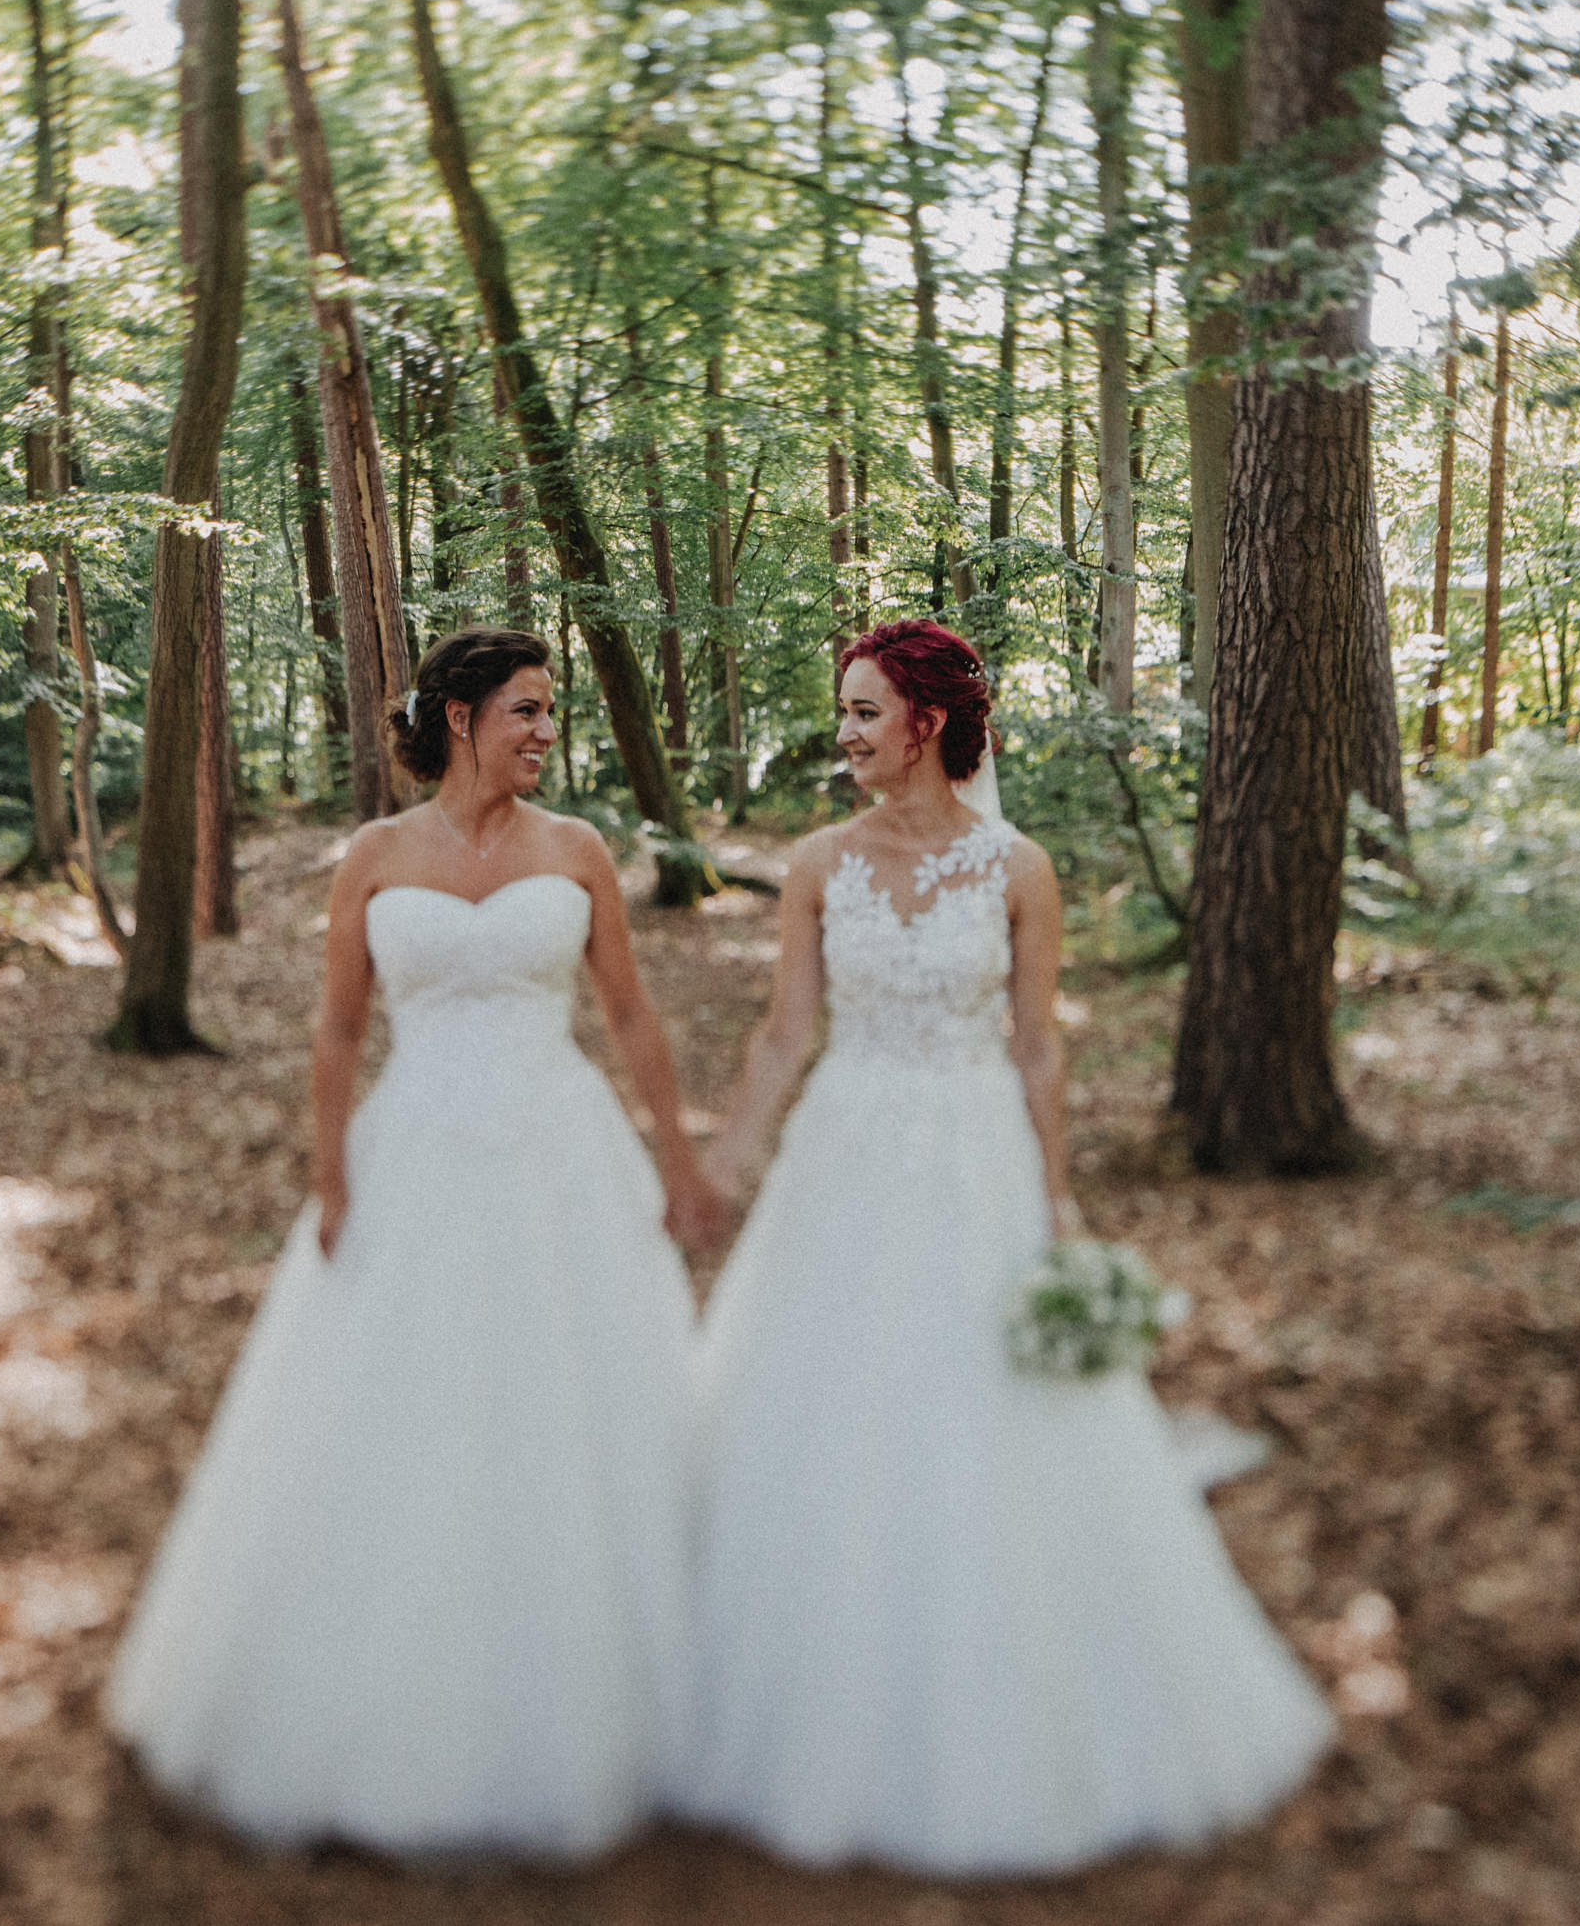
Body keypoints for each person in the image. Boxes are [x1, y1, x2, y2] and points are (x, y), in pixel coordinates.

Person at [675, 618, 1333, 1874]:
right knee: (831, 1408)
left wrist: (1056, 1199)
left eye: (865, 711)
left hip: (973, 1156)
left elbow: (1038, 1046)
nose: (846, 733)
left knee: (988, 1409)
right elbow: (782, 1034)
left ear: (927, 723)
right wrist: (725, 1163)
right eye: (844, 710)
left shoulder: (1017, 868)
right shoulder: (815, 862)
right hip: (845, 1154)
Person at [105, 626, 721, 1860]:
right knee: (402, 1410)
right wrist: (332, 1175)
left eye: (551, 712)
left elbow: (628, 1013)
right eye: (528, 711)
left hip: (560, 1154)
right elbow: (337, 1031)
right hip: (418, 1156)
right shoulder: (375, 858)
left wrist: (678, 1157)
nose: (548, 731)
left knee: (576, 1410)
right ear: (459, 717)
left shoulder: (579, 851)